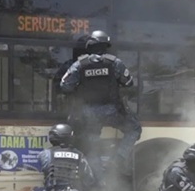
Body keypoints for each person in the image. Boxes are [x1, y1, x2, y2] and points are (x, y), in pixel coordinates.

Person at [60, 30, 141, 179]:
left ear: (89, 46)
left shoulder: (80, 64)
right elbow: (129, 82)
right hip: (112, 111)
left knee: (92, 146)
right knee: (134, 129)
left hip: (88, 113)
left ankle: (97, 180)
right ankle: (118, 160)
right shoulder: (114, 62)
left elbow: (65, 86)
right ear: (106, 46)